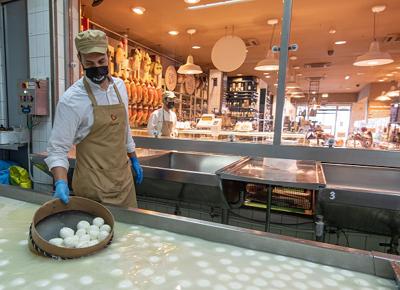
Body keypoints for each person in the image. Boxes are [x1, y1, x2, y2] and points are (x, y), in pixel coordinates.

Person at [45, 30, 143, 208]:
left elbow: (125, 129)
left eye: (101, 61)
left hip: (123, 183)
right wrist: (61, 182)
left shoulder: (119, 87)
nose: (96, 67)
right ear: (79, 59)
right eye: (89, 63)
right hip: (93, 188)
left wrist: (133, 157)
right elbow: (57, 149)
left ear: (108, 55)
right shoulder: (72, 100)